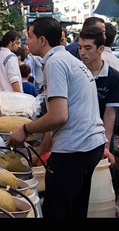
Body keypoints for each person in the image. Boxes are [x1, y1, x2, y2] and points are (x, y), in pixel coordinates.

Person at [10, 17, 107, 218]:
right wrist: (42, 146)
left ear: (42, 40)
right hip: (90, 145)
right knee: (75, 210)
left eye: (29, 36)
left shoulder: (55, 62)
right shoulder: (69, 59)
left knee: (57, 211)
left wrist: (26, 129)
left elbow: (59, 115)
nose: (27, 41)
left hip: (76, 148)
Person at [78, 25, 119, 167]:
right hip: (76, 137)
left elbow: (110, 114)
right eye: (80, 47)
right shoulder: (74, 72)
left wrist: (105, 146)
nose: (82, 52)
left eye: (88, 48)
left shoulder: (114, 77)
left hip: (101, 137)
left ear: (101, 49)